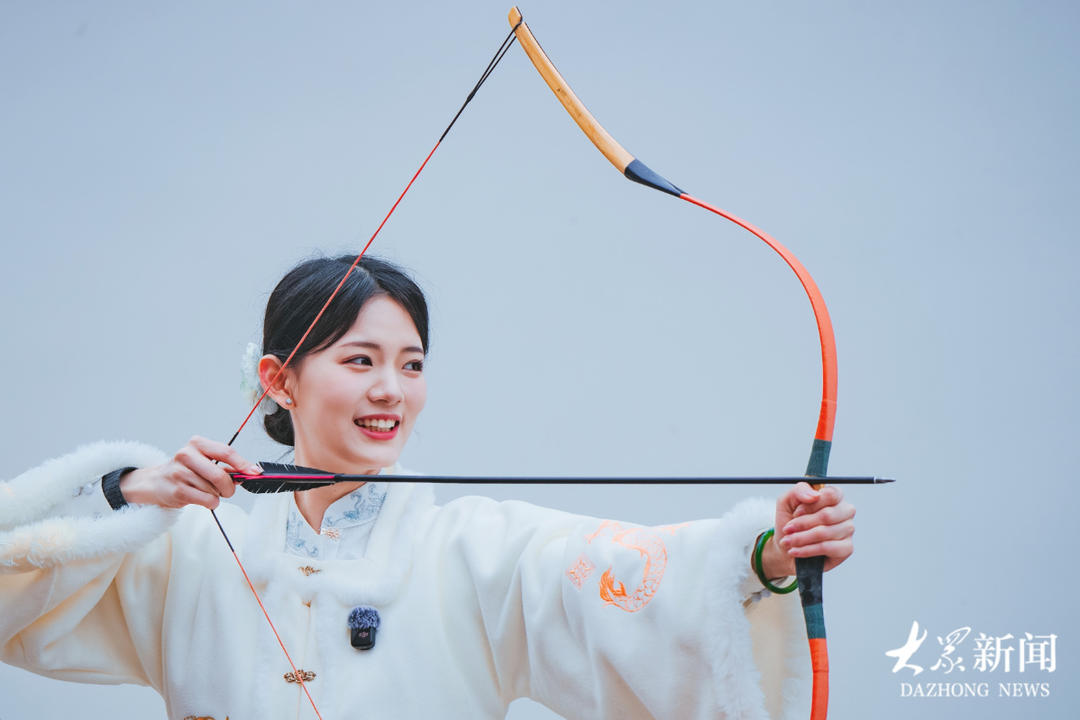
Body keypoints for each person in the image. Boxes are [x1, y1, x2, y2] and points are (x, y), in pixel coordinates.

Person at [0, 255, 855, 720]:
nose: (391, 391)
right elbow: (18, 590)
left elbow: (628, 578)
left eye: (411, 365)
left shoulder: (472, 548)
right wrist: (128, 496)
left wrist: (766, 554)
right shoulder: (184, 547)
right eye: (360, 360)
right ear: (279, 380)